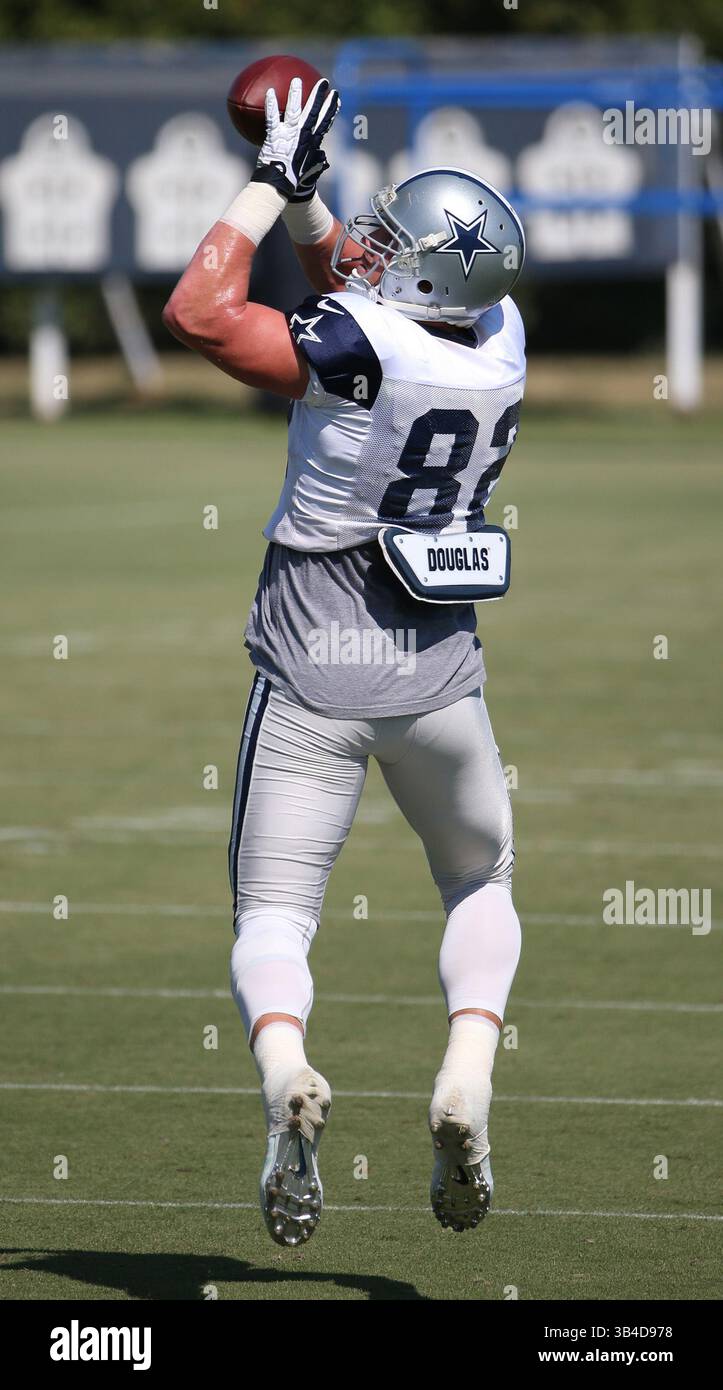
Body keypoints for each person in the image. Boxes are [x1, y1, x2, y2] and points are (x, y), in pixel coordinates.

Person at [163, 75, 526, 1247]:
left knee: (274, 913)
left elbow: (202, 315)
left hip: (315, 662)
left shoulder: (359, 352)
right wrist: (324, 216)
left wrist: (272, 186)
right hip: (438, 675)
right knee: (481, 880)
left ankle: (284, 1077)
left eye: (389, 241)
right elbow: (370, 309)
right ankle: (468, 1066)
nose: (367, 244)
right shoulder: (503, 340)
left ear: (414, 279)